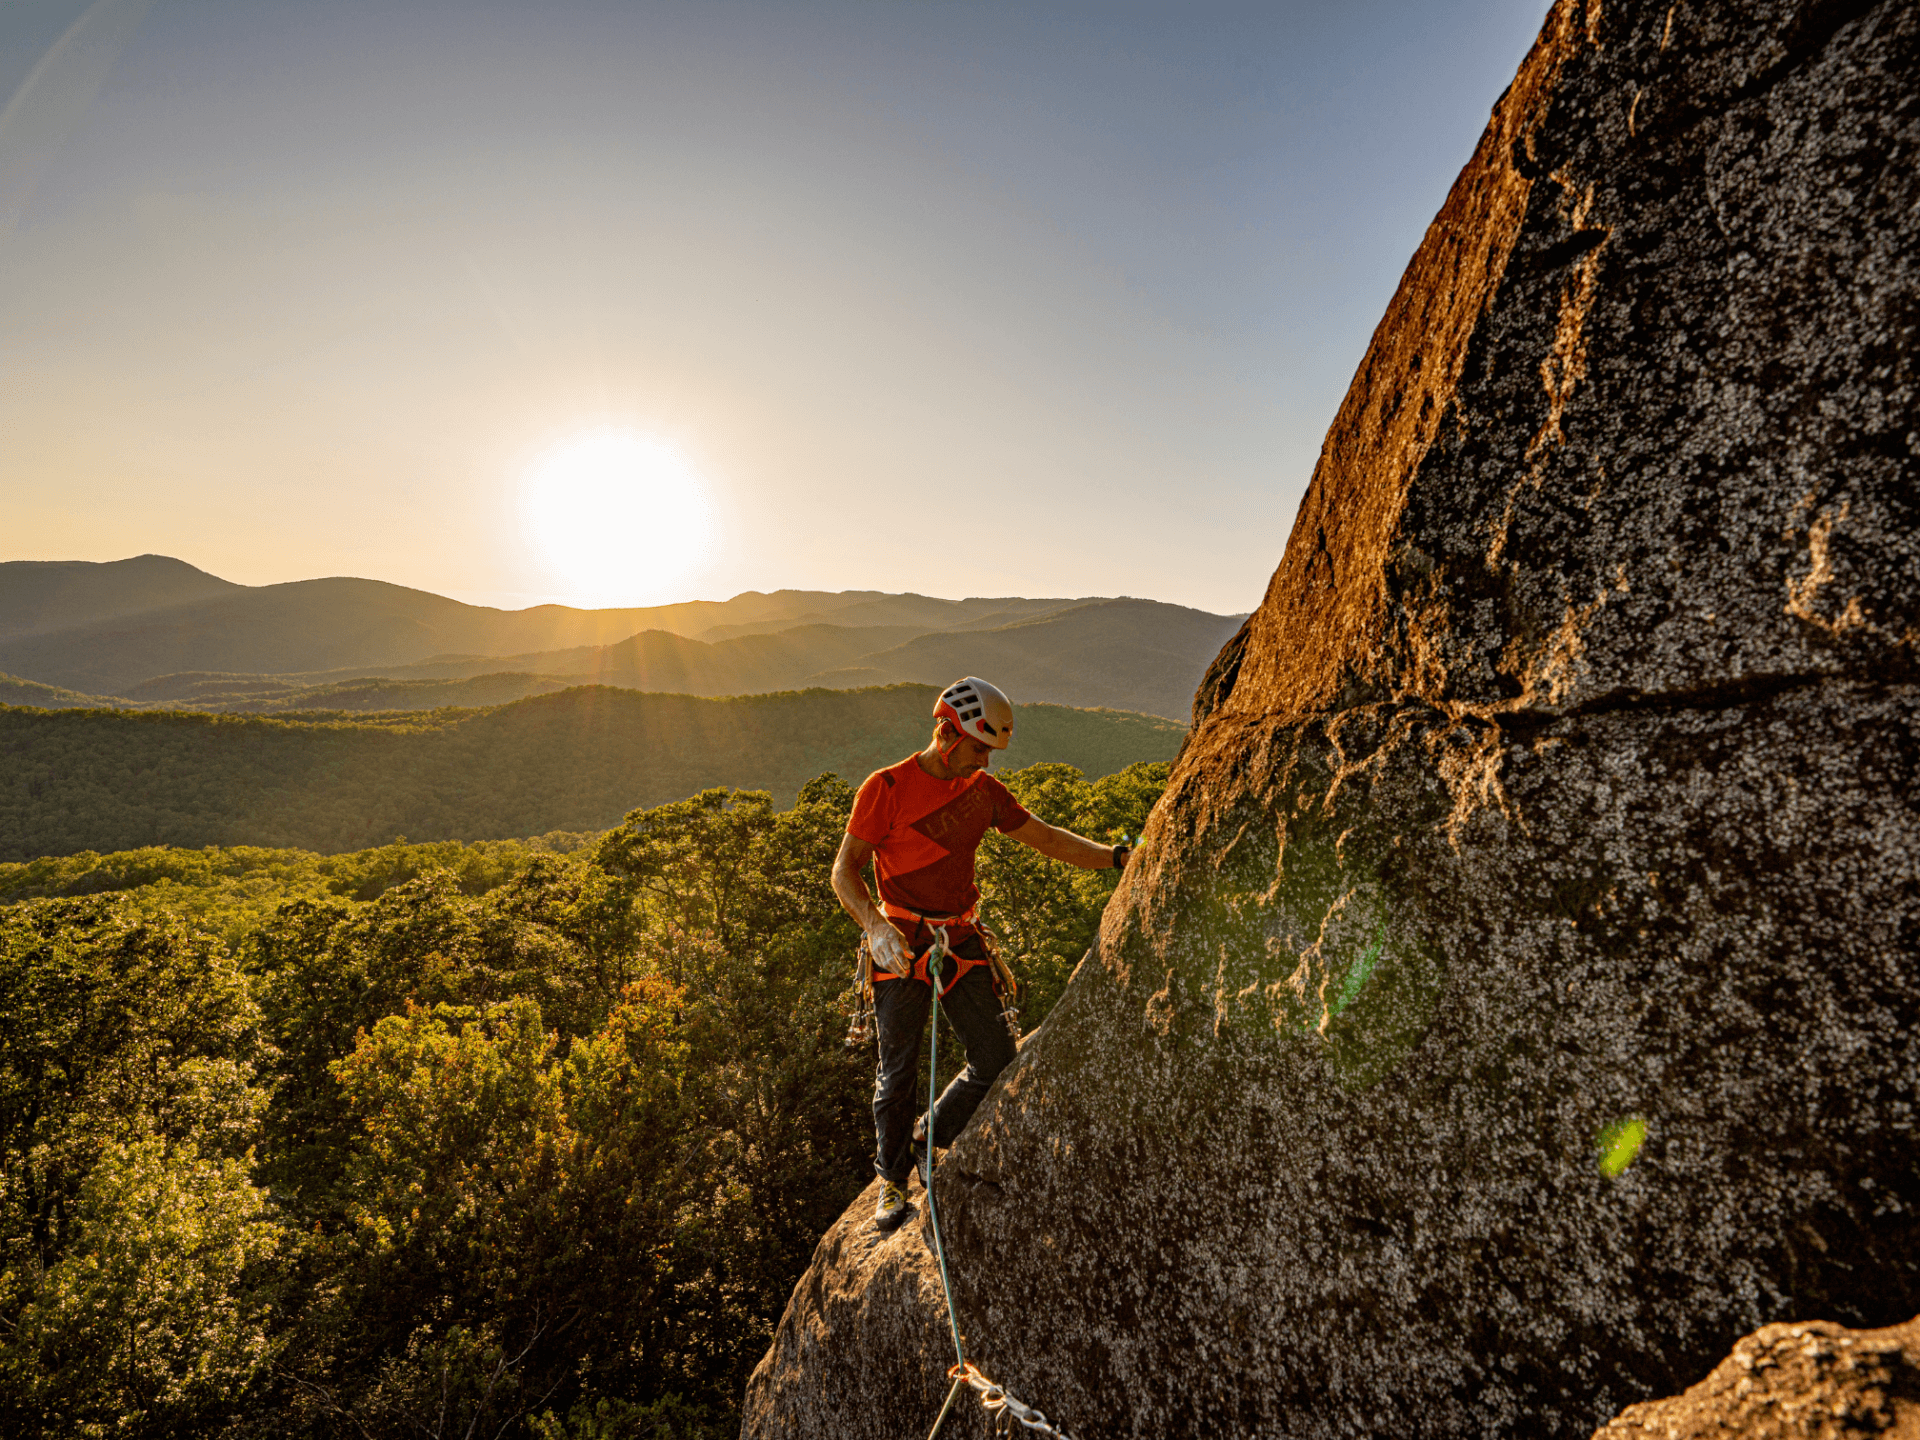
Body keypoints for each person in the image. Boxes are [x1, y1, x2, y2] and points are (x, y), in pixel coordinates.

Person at [831, 676, 1132, 1231]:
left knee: (995, 1058)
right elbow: (844, 871)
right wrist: (875, 927)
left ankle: (929, 1136)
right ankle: (892, 1180)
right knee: (897, 1071)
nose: (986, 763)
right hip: (901, 941)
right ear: (946, 734)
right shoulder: (886, 788)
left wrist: (1117, 858)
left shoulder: (983, 793)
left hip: (961, 938)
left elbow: (1048, 838)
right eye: (979, 749)